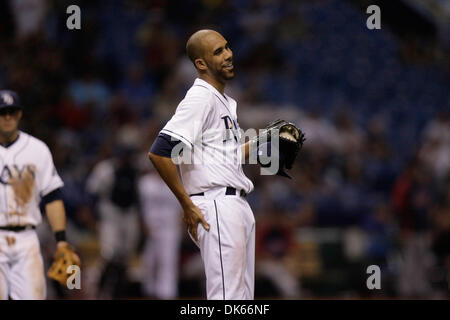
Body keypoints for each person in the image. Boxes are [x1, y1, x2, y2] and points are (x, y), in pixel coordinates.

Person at [147, 30, 257, 300]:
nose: (228, 55)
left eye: (227, 47)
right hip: (217, 204)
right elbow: (160, 152)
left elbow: (223, 155)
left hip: (235, 204)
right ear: (201, 64)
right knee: (227, 298)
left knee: (240, 300)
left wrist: (262, 142)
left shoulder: (221, 101)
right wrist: (187, 204)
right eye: (218, 51)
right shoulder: (202, 97)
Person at [0, 90, 76, 299]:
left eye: (12, 112)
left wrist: (61, 240)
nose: (7, 117)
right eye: (2, 112)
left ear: (19, 115)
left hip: (27, 239)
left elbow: (52, 197)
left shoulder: (37, 150)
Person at [138, 164, 182, 299]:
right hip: (151, 225)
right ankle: (149, 290)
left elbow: (181, 205)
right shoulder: (145, 183)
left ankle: (167, 293)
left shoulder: (176, 181)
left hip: (170, 227)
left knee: (168, 260)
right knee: (149, 260)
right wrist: (144, 225)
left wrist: (180, 224)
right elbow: (140, 206)